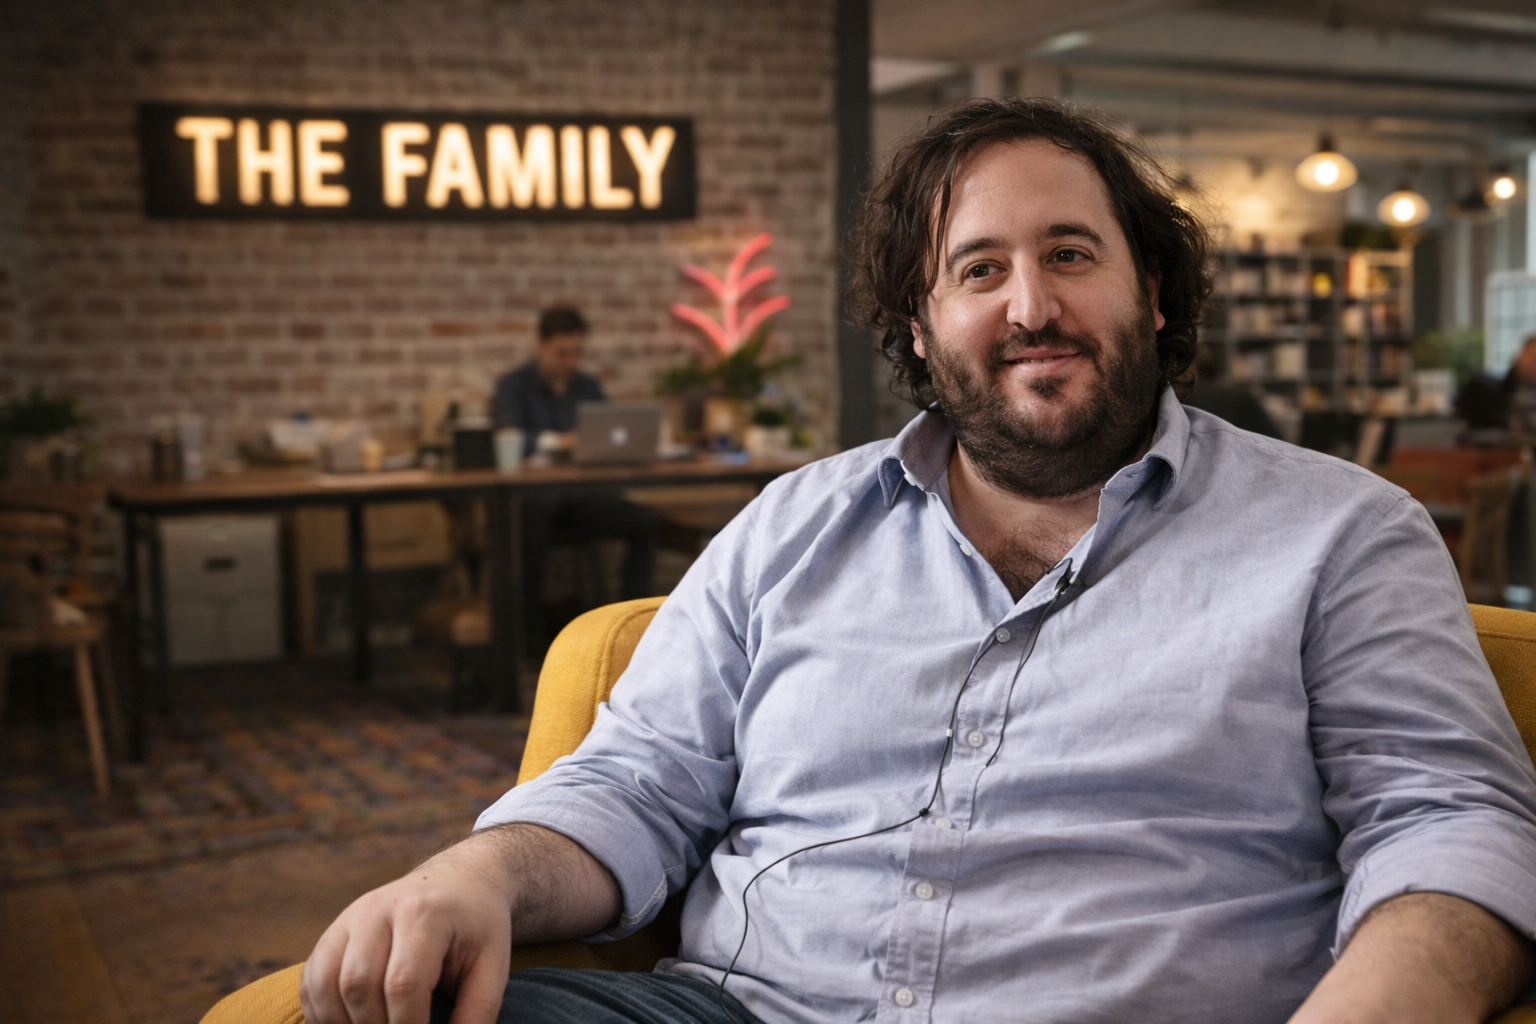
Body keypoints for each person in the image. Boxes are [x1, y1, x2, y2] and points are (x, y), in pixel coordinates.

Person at [300, 100, 1536, 1024]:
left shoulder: (1341, 532)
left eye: (1071, 253)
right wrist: (473, 876)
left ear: (1151, 290)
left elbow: (1453, 826)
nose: (1031, 306)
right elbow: (637, 784)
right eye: (978, 269)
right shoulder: (791, 526)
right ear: (919, 322)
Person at [491, 306, 656, 646]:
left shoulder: (587, 385)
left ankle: (631, 635)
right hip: (535, 497)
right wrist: (560, 441)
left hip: (583, 495)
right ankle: (529, 639)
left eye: (576, 353)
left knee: (645, 522)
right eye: (561, 353)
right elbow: (509, 435)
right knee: (529, 523)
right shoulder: (513, 386)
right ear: (540, 343)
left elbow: (612, 433)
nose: (570, 361)